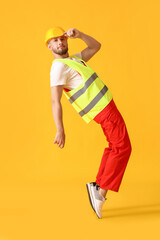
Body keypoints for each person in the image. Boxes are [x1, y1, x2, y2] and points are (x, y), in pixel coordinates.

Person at [45, 26, 132, 219]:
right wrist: (60, 129)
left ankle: (98, 186)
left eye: (62, 38)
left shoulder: (73, 60)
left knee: (115, 147)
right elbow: (54, 100)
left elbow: (96, 46)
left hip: (107, 106)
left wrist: (81, 35)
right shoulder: (58, 67)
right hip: (103, 110)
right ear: (49, 46)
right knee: (122, 147)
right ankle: (100, 194)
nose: (60, 42)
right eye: (55, 40)